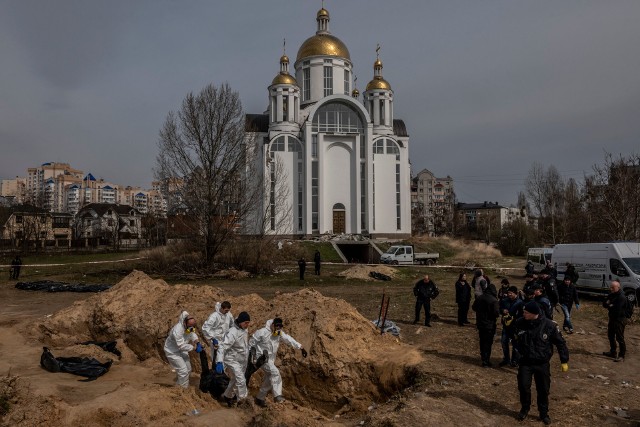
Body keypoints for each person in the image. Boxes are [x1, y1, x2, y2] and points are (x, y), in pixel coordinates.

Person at [513, 301, 569, 425]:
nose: (524, 314)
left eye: (526, 312)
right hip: (525, 362)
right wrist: (518, 351)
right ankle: (525, 408)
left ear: (535, 313)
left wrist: (564, 360)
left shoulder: (549, 326)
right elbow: (515, 337)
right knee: (523, 386)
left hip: (542, 363)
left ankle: (543, 413)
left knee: (543, 389)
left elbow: (560, 343)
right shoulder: (520, 323)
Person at [249, 318, 307, 406]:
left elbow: (288, 339)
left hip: (271, 360)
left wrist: (300, 347)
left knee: (269, 378)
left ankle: (259, 398)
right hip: (261, 359)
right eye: (276, 326)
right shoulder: (262, 332)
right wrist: (250, 355)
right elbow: (251, 343)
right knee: (275, 373)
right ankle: (278, 396)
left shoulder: (279, 333)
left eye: (280, 326)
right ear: (272, 325)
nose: (278, 328)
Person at [217, 311, 252, 406]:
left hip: (242, 359)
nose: (247, 325)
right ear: (240, 322)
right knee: (241, 379)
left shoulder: (244, 328)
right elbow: (222, 346)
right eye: (246, 322)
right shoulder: (232, 332)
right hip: (231, 359)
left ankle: (227, 396)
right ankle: (243, 401)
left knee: (235, 379)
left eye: (248, 322)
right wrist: (219, 361)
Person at [164, 311, 202, 388]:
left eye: (193, 326)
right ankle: (182, 391)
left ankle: (179, 386)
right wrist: (194, 348)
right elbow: (181, 345)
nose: (192, 328)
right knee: (183, 371)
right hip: (172, 351)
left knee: (188, 369)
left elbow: (192, 334)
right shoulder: (177, 330)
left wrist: (197, 342)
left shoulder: (189, 327)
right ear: (184, 323)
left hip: (182, 350)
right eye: (190, 326)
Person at [472, 279, 499, 367]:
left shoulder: (480, 297)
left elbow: (474, 307)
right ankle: (486, 360)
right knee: (488, 342)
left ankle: (483, 357)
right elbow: (496, 313)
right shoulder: (494, 300)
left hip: (480, 323)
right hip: (489, 324)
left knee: (482, 341)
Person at [602, 280, 627, 362]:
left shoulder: (621, 297)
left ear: (618, 287)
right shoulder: (612, 294)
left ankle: (621, 355)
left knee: (619, 338)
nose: (611, 289)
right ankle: (613, 352)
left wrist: (610, 305)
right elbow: (604, 304)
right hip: (612, 319)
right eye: (611, 287)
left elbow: (617, 310)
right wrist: (610, 305)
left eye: (613, 287)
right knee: (610, 336)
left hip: (620, 320)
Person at [499, 286, 523, 367]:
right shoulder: (504, 301)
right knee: (504, 342)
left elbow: (522, 315)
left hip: (515, 327)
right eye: (508, 293)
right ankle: (506, 359)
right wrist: (502, 311)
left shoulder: (520, 302)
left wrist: (515, 318)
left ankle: (514, 360)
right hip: (506, 326)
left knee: (515, 344)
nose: (509, 294)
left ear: (515, 293)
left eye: (511, 293)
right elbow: (499, 308)